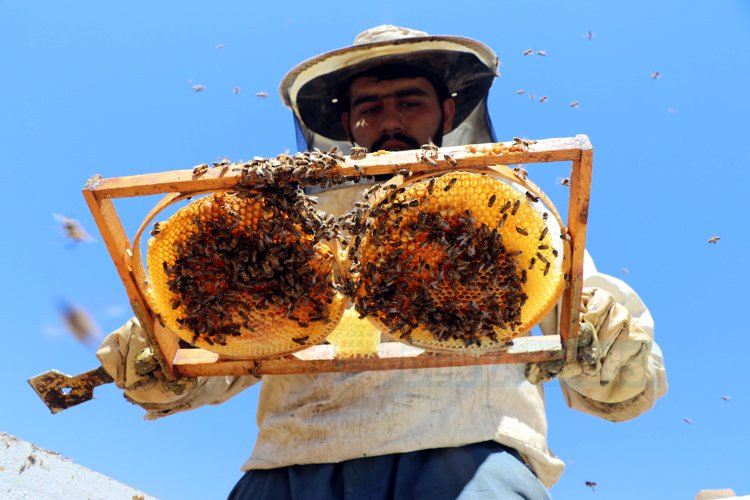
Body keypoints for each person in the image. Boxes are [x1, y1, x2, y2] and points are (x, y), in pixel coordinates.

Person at [97, 25, 667, 499]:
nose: (389, 119)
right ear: (347, 124)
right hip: (289, 466)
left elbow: (617, 381)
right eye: (370, 107)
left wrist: (609, 339)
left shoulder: (510, 214)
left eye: (409, 102)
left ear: (446, 110)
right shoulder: (293, 220)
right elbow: (221, 345)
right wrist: (159, 351)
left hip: (467, 455)